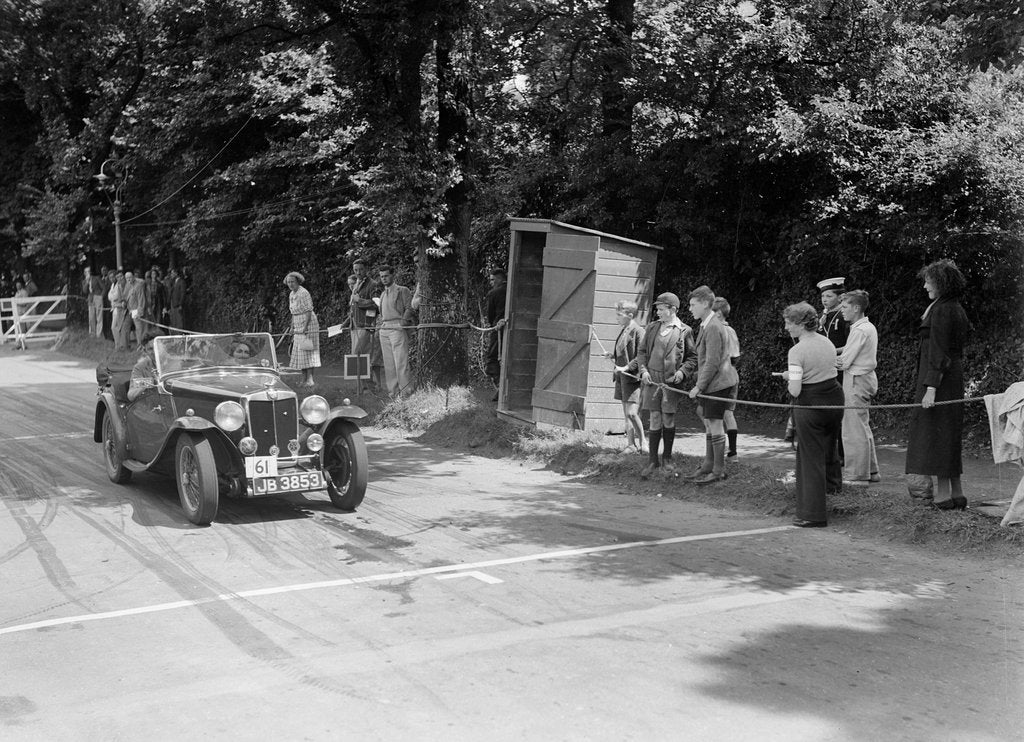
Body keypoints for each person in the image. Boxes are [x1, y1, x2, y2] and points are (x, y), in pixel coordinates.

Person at [905, 259, 971, 510]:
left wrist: (931, 388)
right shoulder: (954, 307)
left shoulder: (942, 310)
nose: (924, 286)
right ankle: (955, 493)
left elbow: (939, 351)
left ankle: (945, 496)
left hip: (938, 380)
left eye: (928, 281)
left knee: (935, 434)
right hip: (950, 377)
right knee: (947, 434)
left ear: (941, 283)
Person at [779, 302, 844, 527]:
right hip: (835, 400)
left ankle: (812, 514)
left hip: (811, 404)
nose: (786, 328)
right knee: (829, 448)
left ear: (799, 324)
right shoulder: (827, 342)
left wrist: (789, 376)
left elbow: (795, 390)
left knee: (809, 457)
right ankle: (835, 494)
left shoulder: (796, 351)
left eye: (788, 323)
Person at [637, 292, 697, 478]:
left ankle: (668, 459)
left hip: (670, 383)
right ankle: (653, 461)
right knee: (654, 418)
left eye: (661, 309)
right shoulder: (652, 328)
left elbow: (692, 358)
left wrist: (682, 372)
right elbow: (641, 352)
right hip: (651, 380)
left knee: (668, 419)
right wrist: (644, 371)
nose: (658, 312)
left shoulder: (684, 330)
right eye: (657, 309)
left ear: (672, 310)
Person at [685, 286, 740, 484]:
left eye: (693, 305)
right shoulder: (706, 325)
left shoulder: (714, 326)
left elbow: (712, 361)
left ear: (706, 304)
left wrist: (698, 386)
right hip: (712, 383)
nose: (690, 308)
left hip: (718, 384)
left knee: (716, 424)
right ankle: (709, 464)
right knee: (709, 422)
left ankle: (718, 470)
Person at [837, 290, 880, 485]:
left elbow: (844, 362)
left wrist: (818, 358)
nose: (842, 311)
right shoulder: (864, 327)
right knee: (862, 425)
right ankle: (871, 471)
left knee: (853, 428)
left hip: (856, 379)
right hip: (863, 378)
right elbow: (847, 349)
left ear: (856, 308)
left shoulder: (860, 329)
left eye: (844, 307)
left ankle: (856, 475)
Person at [606, 299, 645, 454]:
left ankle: (643, 442)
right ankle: (631, 444)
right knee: (625, 414)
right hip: (622, 377)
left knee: (632, 413)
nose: (617, 317)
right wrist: (612, 355)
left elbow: (641, 356)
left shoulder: (638, 331)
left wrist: (627, 367)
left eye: (619, 314)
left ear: (630, 315)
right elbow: (623, 352)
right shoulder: (624, 329)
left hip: (632, 377)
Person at [377, 265, 414, 396]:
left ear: (393, 275)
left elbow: (410, 308)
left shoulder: (402, 290)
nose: (384, 279)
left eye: (386, 275)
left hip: (397, 327)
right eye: (381, 276)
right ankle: (393, 392)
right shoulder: (382, 294)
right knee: (389, 364)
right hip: (385, 328)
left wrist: (402, 323)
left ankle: (405, 391)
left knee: (401, 362)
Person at [712, 296, 741, 458]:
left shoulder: (721, 330)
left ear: (718, 314)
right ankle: (732, 452)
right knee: (727, 413)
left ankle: (724, 449)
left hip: (721, 377)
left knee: (713, 414)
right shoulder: (731, 331)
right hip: (731, 375)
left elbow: (730, 357)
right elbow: (736, 356)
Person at [284, 271, 321, 388]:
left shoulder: (303, 293)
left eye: (293, 282)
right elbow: (293, 313)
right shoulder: (291, 294)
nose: (290, 284)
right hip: (298, 324)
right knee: (301, 354)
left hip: (308, 324)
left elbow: (308, 311)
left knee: (307, 351)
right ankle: (303, 379)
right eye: (288, 282)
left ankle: (310, 380)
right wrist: (291, 327)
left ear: (298, 282)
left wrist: (305, 328)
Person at [484, 268, 507, 398]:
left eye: (493, 280)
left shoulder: (494, 293)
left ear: (500, 279)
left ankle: (501, 388)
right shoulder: (513, 290)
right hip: (507, 326)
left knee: (492, 359)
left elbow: (490, 316)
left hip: (498, 329)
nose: (491, 283)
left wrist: (495, 325)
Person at [127, 334, 160, 402]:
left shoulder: (176, 363)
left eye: (157, 347)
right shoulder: (139, 367)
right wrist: (151, 382)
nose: (154, 351)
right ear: (145, 351)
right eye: (150, 349)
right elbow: (131, 395)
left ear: (164, 346)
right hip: (152, 405)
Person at [125, 270, 147, 348]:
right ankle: (127, 345)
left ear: (133, 277)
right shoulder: (128, 286)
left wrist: (139, 312)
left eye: (130, 277)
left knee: (139, 328)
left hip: (136, 310)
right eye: (127, 278)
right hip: (129, 310)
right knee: (128, 327)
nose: (128, 279)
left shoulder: (138, 286)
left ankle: (140, 345)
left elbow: (141, 299)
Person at [108, 269, 128, 351]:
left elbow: (115, 296)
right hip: (114, 308)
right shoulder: (112, 285)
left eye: (113, 277)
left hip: (119, 308)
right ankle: (118, 344)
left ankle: (119, 345)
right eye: (110, 278)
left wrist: (112, 297)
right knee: (114, 327)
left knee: (115, 327)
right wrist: (112, 297)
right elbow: (109, 296)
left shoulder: (119, 285)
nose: (112, 279)